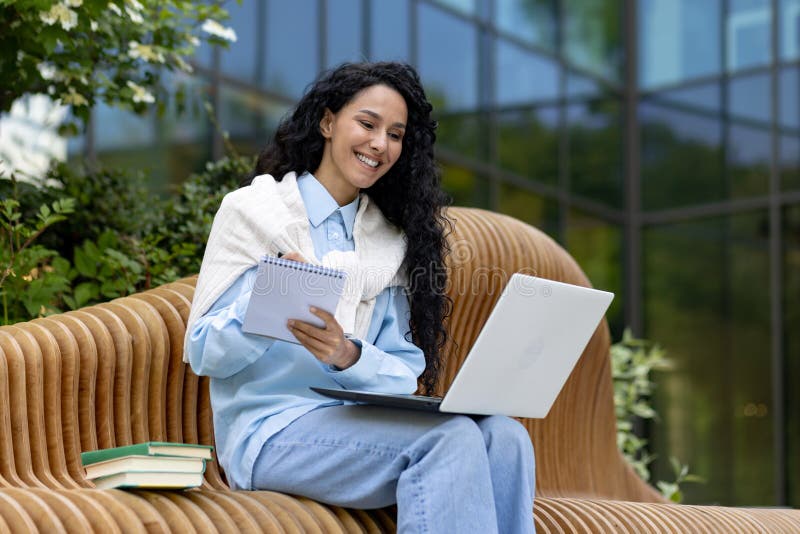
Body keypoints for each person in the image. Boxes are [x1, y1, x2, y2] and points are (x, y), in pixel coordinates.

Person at [185, 61, 536, 533]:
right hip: (272, 430)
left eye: (395, 134)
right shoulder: (254, 211)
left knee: (506, 436)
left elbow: (402, 375)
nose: (379, 144)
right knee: (445, 441)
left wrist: (346, 354)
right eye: (367, 124)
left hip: (361, 428)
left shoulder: (386, 242)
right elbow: (204, 352)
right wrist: (270, 300)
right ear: (328, 123)